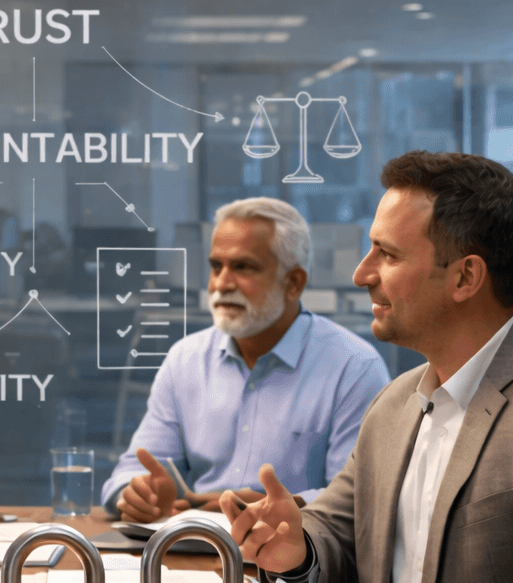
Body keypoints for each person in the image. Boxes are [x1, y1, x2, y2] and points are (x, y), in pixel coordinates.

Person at [221, 151, 513, 583]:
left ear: (465, 277)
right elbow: (339, 533)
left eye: (387, 254)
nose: (362, 273)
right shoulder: (397, 402)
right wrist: (294, 545)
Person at [103, 197, 390, 522]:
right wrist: (137, 493)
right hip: (193, 550)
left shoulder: (353, 368)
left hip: (294, 561)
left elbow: (359, 497)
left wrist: (285, 504)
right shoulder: (185, 360)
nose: (222, 284)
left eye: (244, 267)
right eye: (215, 267)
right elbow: (132, 470)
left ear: (293, 283)